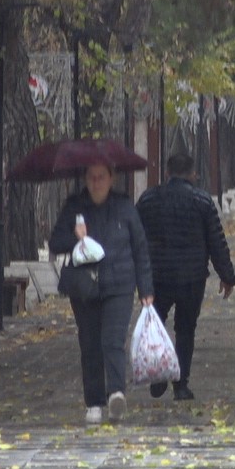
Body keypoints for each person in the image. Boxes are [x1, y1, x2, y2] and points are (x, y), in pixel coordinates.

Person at [48, 162, 154, 424]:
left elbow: (140, 249)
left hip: (119, 284)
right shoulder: (74, 207)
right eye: (92, 177)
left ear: (112, 178)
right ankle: (94, 402)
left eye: (101, 177)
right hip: (84, 286)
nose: (97, 182)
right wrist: (75, 237)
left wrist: (146, 288)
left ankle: (116, 392)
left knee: (113, 340)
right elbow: (55, 242)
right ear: (85, 179)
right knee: (90, 343)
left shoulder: (125, 207)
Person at [136, 154, 235, 401]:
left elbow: (136, 238)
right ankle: (181, 385)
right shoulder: (202, 201)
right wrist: (227, 277)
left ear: (167, 172)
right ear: (192, 174)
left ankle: (158, 374)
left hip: (157, 275)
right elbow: (216, 240)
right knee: (185, 329)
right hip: (191, 277)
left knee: (155, 325)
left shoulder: (148, 200)